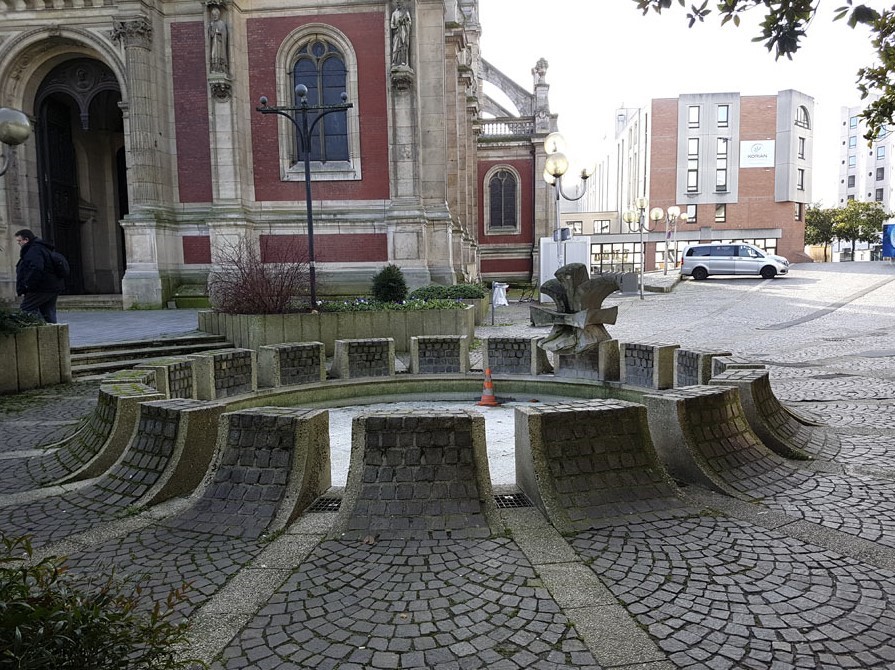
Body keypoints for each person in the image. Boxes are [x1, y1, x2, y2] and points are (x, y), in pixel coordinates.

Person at [14, 229, 65, 324]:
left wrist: (27, 285)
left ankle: (41, 329)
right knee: (48, 312)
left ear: (26, 239)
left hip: (41, 287)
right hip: (52, 286)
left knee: (27, 308)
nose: (18, 243)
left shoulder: (33, 250)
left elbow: (36, 268)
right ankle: (52, 335)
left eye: (19, 240)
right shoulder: (42, 248)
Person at [390, 1, 411, 67]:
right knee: (395, 47)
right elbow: (391, 25)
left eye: (400, 2)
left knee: (403, 46)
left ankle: (403, 61)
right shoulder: (394, 14)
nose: (399, 4)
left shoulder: (406, 12)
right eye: (397, 3)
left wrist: (405, 21)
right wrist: (396, 26)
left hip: (403, 32)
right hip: (396, 33)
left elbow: (409, 22)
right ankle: (394, 61)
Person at [208, 7, 229, 73]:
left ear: (218, 15)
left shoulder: (222, 23)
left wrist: (219, 33)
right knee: (213, 54)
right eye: (213, 15)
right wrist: (210, 29)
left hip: (220, 43)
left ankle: (221, 68)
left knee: (220, 54)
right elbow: (210, 35)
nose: (214, 16)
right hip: (214, 43)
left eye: (216, 15)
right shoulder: (211, 24)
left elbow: (225, 34)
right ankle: (214, 68)